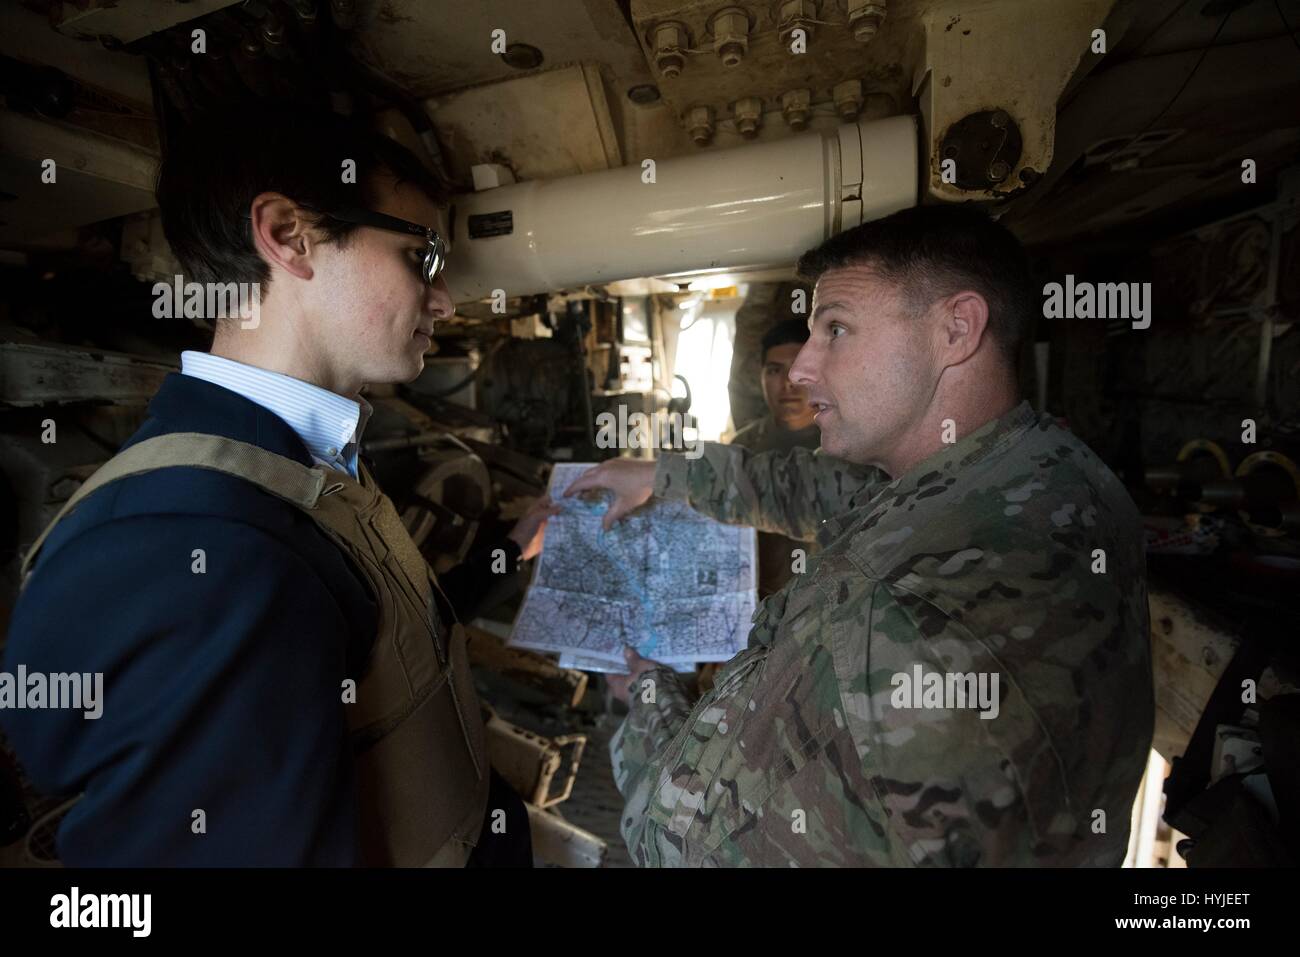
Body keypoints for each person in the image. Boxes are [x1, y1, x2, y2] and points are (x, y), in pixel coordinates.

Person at [1, 106, 558, 866]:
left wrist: (508, 552)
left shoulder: (298, 464)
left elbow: (381, 648)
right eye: (420, 256)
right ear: (288, 235)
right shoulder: (192, 545)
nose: (445, 300)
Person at [565, 204, 1154, 867]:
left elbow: (678, 839)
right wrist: (659, 474)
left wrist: (642, 692)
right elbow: (817, 491)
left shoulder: (886, 617)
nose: (800, 371)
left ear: (956, 329)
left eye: (836, 329)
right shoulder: (1042, 471)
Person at [730, 318, 821, 599]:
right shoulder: (744, 445)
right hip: (760, 602)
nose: (787, 383)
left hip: (826, 605)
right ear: (761, 377)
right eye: (774, 370)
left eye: (796, 370)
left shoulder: (847, 444)